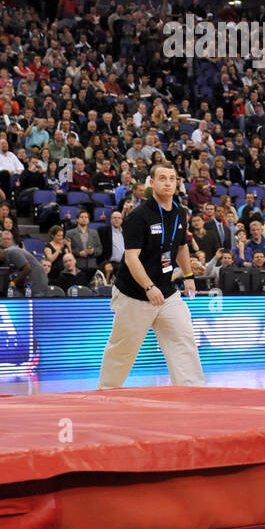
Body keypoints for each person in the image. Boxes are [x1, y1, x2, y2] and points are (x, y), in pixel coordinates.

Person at [97, 161, 203, 388]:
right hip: (134, 294)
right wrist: (148, 287)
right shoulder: (139, 216)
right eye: (162, 178)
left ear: (177, 183)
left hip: (167, 292)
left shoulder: (180, 212)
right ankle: (106, 392)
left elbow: (182, 246)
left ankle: (193, 391)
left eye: (172, 178)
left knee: (184, 341)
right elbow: (131, 258)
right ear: (152, 183)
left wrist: (189, 276)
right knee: (123, 348)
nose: (167, 183)